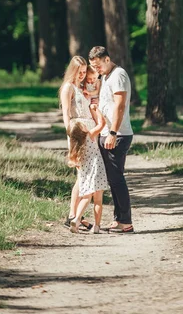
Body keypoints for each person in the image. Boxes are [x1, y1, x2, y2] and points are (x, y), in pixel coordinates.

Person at [89, 45, 134, 233]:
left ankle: (126, 221)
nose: (96, 70)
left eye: (98, 65)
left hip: (118, 134)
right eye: (93, 66)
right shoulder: (106, 76)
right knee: (113, 179)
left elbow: (120, 105)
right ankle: (118, 219)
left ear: (107, 59)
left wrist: (113, 132)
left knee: (117, 178)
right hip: (107, 132)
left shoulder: (119, 75)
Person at [59, 55, 93, 230]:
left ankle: (78, 214)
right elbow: (66, 112)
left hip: (87, 132)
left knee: (85, 175)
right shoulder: (68, 88)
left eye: (84, 72)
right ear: (72, 71)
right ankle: (72, 215)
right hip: (76, 132)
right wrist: (70, 134)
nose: (82, 75)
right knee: (81, 176)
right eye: (79, 72)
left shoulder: (80, 88)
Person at [67, 106, 107, 233]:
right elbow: (102, 124)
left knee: (86, 197)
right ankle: (96, 226)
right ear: (83, 131)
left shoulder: (76, 147)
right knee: (98, 200)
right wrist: (96, 110)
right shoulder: (90, 135)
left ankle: (76, 219)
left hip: (85, 173)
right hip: (97, 168)